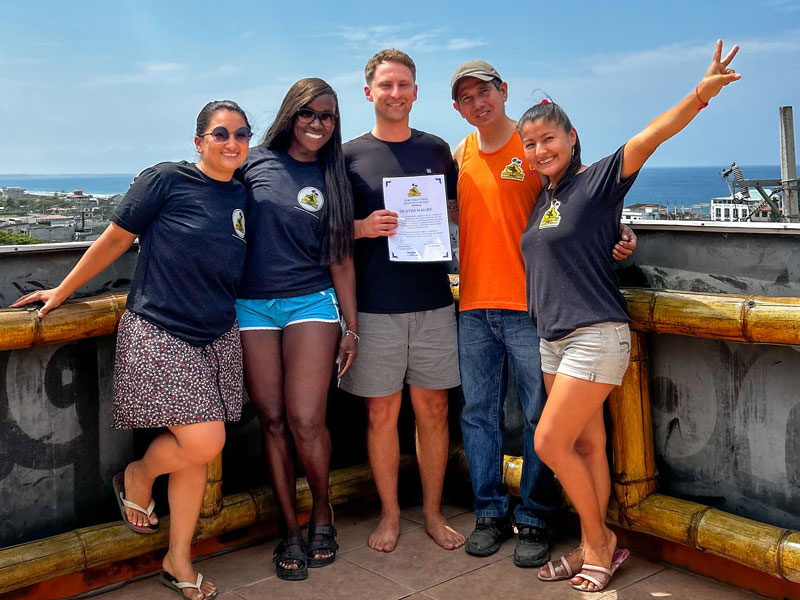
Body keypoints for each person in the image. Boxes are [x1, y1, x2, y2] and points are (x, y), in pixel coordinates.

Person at [518, 41, 740, 592]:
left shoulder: (597, 183)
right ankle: (599, 538)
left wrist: (700, 94)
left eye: (549, 138)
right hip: (551, 338)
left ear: (571, 137)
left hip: (596, 333)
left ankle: (598, 545)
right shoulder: (543, 200)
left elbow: (652, 135)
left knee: (548, 443)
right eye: (531, 144)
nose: (540, 149)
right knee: (586, 445)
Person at [11, 100, 253, 600]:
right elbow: (115, 238)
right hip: (161, 328)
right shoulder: (167, 179)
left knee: (194, 457)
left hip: (218, 334)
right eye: (221, 133)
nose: (232, 143)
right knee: (206, 442)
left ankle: (178, 560)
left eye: (242, 134)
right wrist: (62, 291)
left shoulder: (244, 194)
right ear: (199, 141)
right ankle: (137, 475)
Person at [449, 61, 637, 568]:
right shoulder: (460, 153)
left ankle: (534, 518)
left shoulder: (534, 142)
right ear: (456, 108)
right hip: (472, 305)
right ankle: (488, 512)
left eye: (483, 91)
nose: (477, 103)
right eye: (465, 97)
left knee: (541, 422)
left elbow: (579, 202)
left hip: (533, 309)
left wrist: (618, 235)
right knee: (479, 414)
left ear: (502, 90)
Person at [339, 49, 465, 553]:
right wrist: (364, 228)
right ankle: (391, 514)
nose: (395, 93)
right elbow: (327, 234)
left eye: (404, 84)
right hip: (374, 306)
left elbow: (458, 212)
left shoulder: (437, 150)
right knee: (380, 416)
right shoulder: (347, 157)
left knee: (435, 412)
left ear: (416, 92)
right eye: (386, 85)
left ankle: (432, 513)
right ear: (368, 92)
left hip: (435, 301)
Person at [234, 78, 357, 581]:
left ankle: (322, 512)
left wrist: (351, 325)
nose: (318, 124)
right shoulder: (253, 162)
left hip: (312, 301)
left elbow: (341, 256)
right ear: (291, 113)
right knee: (273, 420)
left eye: (327, 116)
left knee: (307, 418)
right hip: (251, 306)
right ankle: (289, 528)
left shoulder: (334, 173)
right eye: (308, 113)